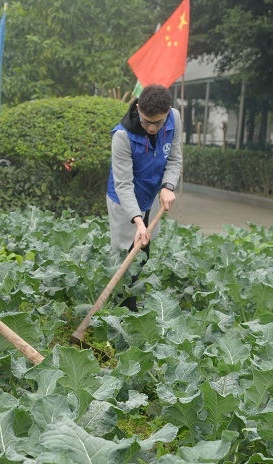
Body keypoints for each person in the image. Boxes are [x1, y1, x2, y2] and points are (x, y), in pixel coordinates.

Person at [106, 84, 181, 311]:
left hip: (151, 196)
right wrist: (138, 221)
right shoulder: (122, 136)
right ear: (138, 108)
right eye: (147, 121)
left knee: (143, 252)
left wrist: (167, 186)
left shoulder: (174, 118)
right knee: (125, 253)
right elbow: (124, 184)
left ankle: (133, 302)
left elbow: (175, 158)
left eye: (158, 122)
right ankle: (121, 309)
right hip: (124, 200)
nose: (151, 127)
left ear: (167, 112)